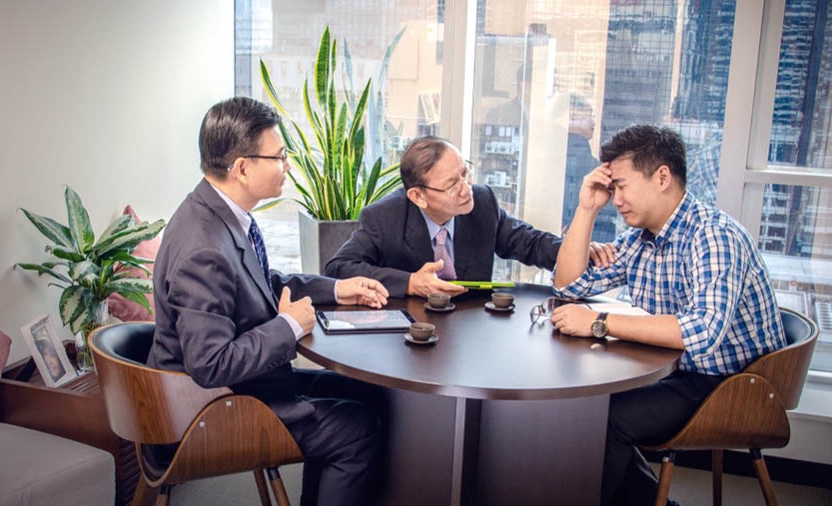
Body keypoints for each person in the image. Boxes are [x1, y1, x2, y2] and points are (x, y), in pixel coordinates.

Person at [148, 97, 390, 506]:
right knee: (358, 428)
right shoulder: (203, 247)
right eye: (279, 156)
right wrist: (290, 326)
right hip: (212, 410)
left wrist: (335, 288)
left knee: (368, 394)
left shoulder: (218, 211)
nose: (288, 165)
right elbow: (210, 365)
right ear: (242, 168)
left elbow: (260, 283)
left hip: (244, 386)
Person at [550, 125, 785, 506]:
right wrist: (586, 209)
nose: (617, 199)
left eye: (622, 186)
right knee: (588, 408)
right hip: (685, 371)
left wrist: (599, 323)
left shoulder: (713, 236)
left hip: (731, 385)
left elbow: (702, 332)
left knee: (606, 420)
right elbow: (568, 286)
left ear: (662, 177)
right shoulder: (642, 238)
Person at [324, 135, 614, 298]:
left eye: (465, 173)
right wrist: (410, 282)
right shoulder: (384, 217)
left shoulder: (482, 202)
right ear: (418, 196)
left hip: (470, 334)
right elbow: (338, 268)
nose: (466, 189)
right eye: (452, 184)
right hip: (408, 340)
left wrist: (573, 250)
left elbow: (527, 242)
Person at [562, 93, 617, 242]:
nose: (593, 121)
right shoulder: (577, 153)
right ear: (570, 118)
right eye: (587, 115)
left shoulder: (558, 151)